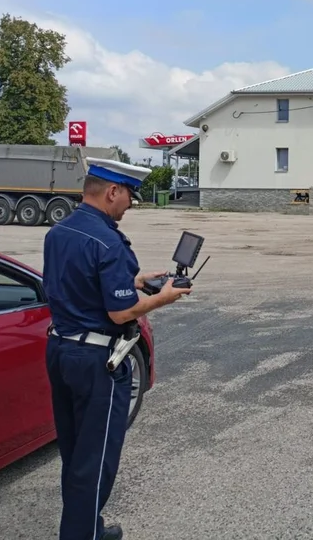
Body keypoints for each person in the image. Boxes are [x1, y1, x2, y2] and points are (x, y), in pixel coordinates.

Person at [43, 157, 192, 540]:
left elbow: (83, 282)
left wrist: (136, 279)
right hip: (97, 361)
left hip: (61, 350)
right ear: (112, 192)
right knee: (96, 460)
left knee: (76, 453)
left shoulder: (59, 232)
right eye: (128, 196)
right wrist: (166, 298)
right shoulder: (109, 240)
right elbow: (120, 310)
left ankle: (86, 526)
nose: (129, 204)